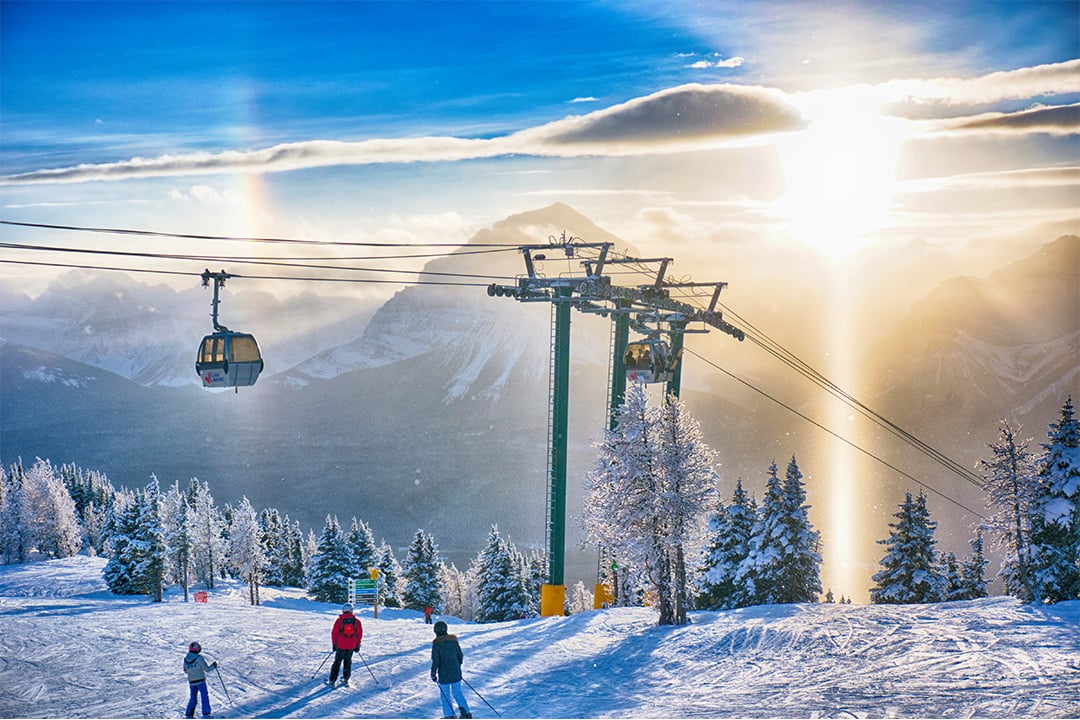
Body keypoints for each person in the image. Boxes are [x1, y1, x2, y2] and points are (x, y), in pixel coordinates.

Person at [430, 620, 471, 719]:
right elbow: (460, 656)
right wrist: (457, 666)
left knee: (445, 695)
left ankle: (449, 715)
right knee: (457, 693)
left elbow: (436, 660)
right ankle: (466, 713)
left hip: (444, 675)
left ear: (435, 631)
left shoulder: (437, 644)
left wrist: (433, 673)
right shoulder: (454, 641)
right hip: (456, 672)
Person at [328, 602, 363, 687]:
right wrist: (357, 645)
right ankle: (346, 678)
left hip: (341, 645)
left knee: (337, 662)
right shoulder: (356, 621)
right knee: (348, 661)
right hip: (351, 645)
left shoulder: (339, 621)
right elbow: (359, 633)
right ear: (351, 610)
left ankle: (332, 680)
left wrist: (334, 644)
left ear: (343, 610)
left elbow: (334, 633)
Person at [183, 641, 216, 719]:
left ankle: (189, 714)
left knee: (193, 697)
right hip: (200, 680)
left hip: (191, 681)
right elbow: (206, 669)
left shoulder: (185, 659)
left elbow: (185, 670)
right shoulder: (199, 658)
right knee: (204, 696)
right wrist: (214, 665)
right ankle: (206, 713)